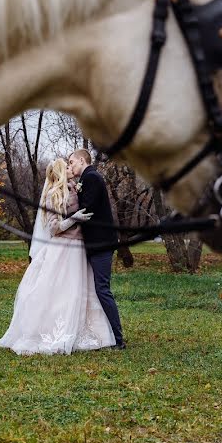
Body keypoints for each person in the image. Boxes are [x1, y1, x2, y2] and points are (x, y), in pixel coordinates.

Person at [0, 158, 116, 355]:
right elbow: (53, 228)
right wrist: (73, 219)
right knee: (62, 293)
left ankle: (85, 332)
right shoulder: (54, 194)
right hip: (63, 248)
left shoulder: (75, 188)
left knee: (82, 293)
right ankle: (56, 333)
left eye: (71, 165)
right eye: (67, 166)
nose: (71, 168)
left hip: (80, 248)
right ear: (61, 172)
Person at [67, 149, 125, 349]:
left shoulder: (91, 178)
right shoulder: (87, 178)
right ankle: (102, 334)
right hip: (94, 243)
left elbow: (86, 209)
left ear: (82, 160)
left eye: (72, 162)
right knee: (94, 289)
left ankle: (118, 339)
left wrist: (67, 209)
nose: (71, 165)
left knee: (102, 289)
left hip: (101, 243)